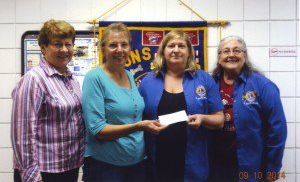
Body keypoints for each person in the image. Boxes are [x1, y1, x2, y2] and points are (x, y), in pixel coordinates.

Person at [81, 22, 166, 182]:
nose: (119, 50)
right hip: (106, 167)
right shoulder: (94, 78)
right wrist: (139, 126)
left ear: (130, 48)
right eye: (113, 45)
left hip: (137, 164)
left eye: (124, 44)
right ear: (103, 49)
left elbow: (132, 114)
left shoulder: (128, 75)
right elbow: (98, 130)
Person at [139, 30, 225, 182]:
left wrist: (202, 118)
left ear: (189, 52)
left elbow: (220, 120)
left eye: (181, 46)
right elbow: (138, 118)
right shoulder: (148, 81)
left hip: (193, 162)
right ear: (163, 51)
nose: (176, 50)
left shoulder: (204, 79)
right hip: (157, 161)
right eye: (171, 45)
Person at [11, 19, 85, 182]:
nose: (64, 50)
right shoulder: (34, 79)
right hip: (43, 172)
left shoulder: (71, 80)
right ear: (43, 48)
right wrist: (32, 176)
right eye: (57, 44)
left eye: (68, 44)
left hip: (68, 168)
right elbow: (22, 133)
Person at [209, 36, 287, 182]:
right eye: (226, 51)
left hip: (252, 166)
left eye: (237, 50)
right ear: (219, 57)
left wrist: (273, 167)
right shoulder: (209, 84)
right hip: (215, 166)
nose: (231, 54)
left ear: (244, 56)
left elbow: (277, 129)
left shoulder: (263, 85)